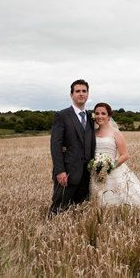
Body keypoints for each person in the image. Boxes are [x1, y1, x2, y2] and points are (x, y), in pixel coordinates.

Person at [48, 79, 96, 218]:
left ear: (87, 94)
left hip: (86, 175)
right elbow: (55, 145)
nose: (81, 94)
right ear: (71, 95)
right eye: (77, 91)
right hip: (67, 173)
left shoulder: (90, 118)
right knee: (58, 208)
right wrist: (60, 171)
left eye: (84, 91)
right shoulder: (61, 115)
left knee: (79, 211)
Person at [91, 102, 140, 210]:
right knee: (99, 202)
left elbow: (124, 155)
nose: (100, 116)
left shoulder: (115, 132)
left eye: (103, 113)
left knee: (120, 201)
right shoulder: (91, 133)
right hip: (96, 172)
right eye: (97, 113)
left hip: (113, 170)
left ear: (109, 116)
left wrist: (109, 167)